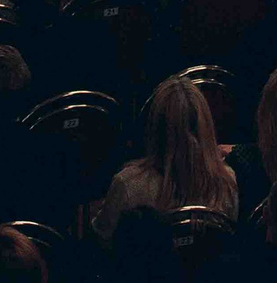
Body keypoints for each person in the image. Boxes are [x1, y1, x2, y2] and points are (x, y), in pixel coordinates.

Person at [95, 77, 237, 245]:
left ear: (154, 128)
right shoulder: (227, 181)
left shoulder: (127, 184)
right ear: (206, 126)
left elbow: (102, 242)